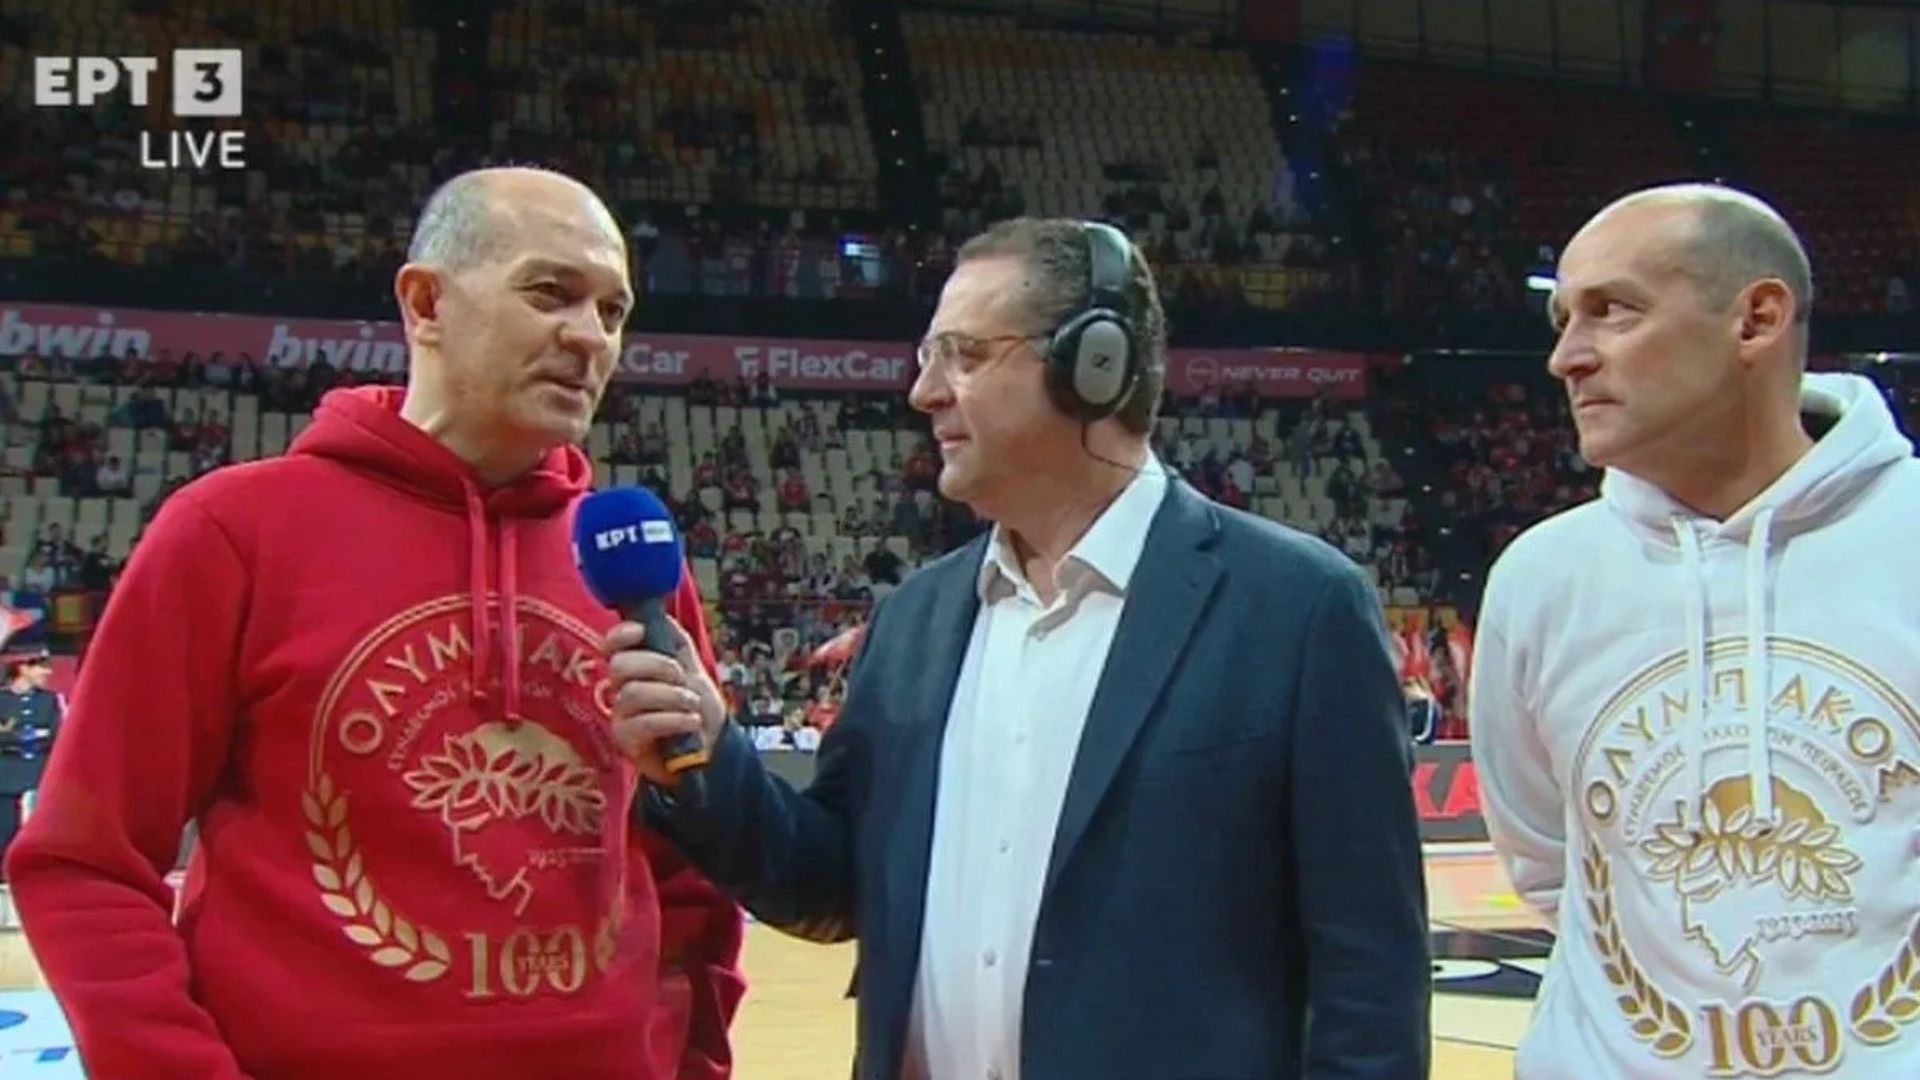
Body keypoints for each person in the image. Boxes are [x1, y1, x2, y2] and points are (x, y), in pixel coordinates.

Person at [608, 218, 1431, 1079]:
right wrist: (711, 761)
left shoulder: (1298, 609)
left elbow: (1370, 978)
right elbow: (832, 885)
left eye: (963, 355)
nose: (922, 391)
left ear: (1095, 365)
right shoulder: (915, 620)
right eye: (928, 357)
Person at [5, 167, 744, 1080]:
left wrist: (690, 1062)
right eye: (551, 293)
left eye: (613, 309)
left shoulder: (636, 569)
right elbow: (86, 860)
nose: (591, 335)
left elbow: (696, 866)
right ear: (426, 303)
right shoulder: (232, 532)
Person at [1471, 183, 1920, 1078]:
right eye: (1563, 319)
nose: (1566, 358)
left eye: (1613, 311)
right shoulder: (1541, 577)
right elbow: (1548, 863)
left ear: (1756, 320)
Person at [0, 648, 63, 872]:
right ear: (23, 668)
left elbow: (57, 735)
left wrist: (16, 737)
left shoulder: (49, 700)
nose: (47, 672)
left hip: (39, 775)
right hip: (7, 777)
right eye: (41, 667)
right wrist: (23, 737)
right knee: (6, 832)